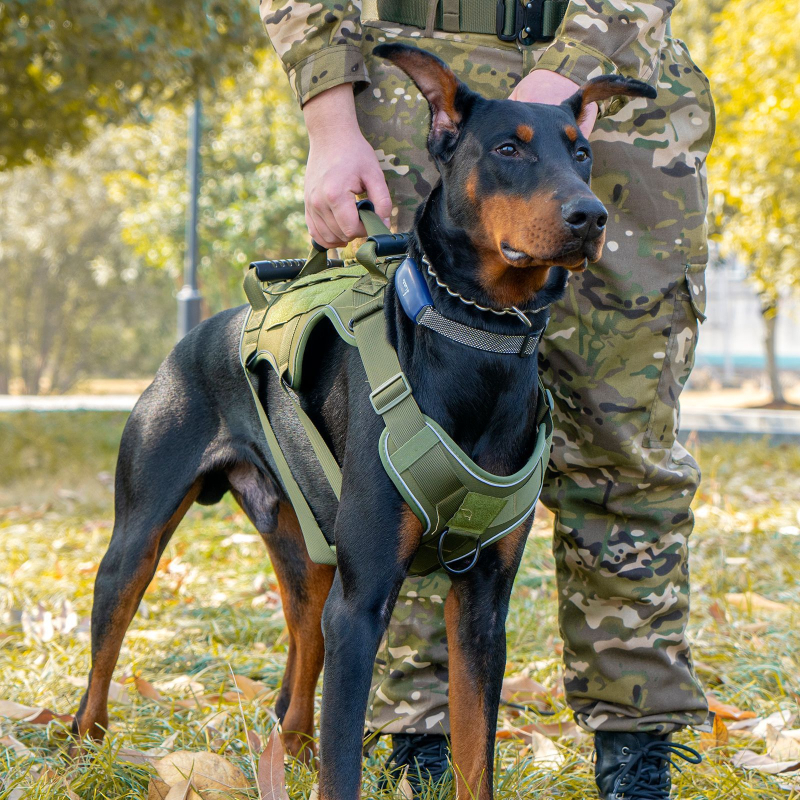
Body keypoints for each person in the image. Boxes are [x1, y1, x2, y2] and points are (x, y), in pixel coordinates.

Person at [258, 0, 715, 795]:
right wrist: (329, 116)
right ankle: (417, 732)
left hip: (616, 95)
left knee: (626, 450)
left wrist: (570, 69)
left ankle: (635, 744)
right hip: (420, 96)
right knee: (403, 447)